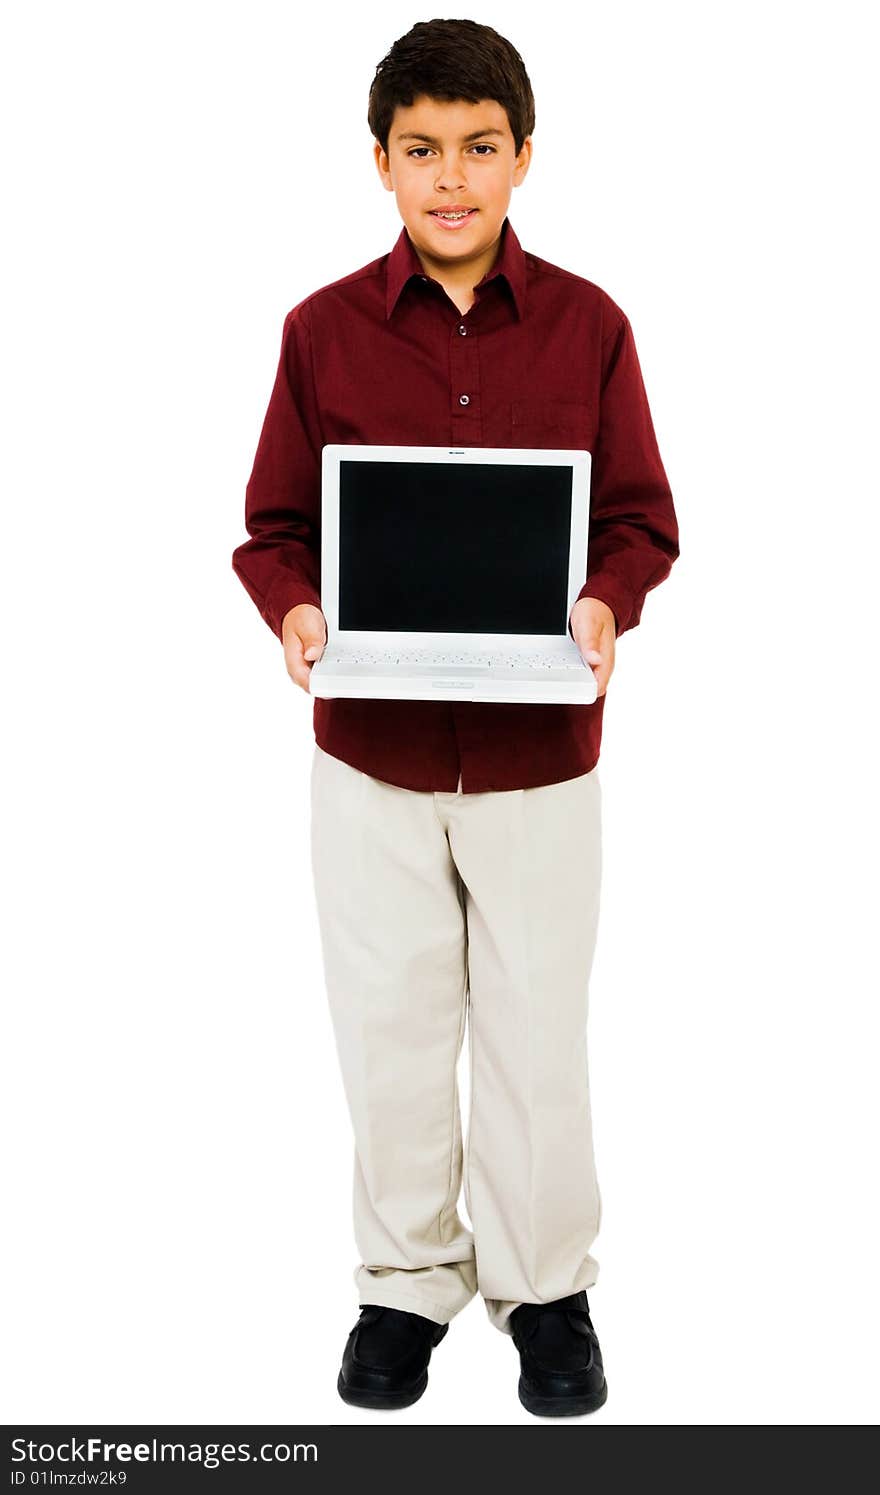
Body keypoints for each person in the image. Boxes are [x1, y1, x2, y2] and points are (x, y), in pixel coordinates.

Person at [232, 18, 679, 1418]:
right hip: (374, 752)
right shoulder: (321, 330)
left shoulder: (593, 325)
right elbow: (272, 530)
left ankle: (549, 1292)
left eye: (480, 149)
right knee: (394, 1025)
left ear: (523, 158)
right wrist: (300, 617)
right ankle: (403, 1287)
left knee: (540, 1031)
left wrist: (605, 607)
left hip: (544, 751)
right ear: (381, 164)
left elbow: (641, 522)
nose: (451, 177)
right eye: (420, 150)